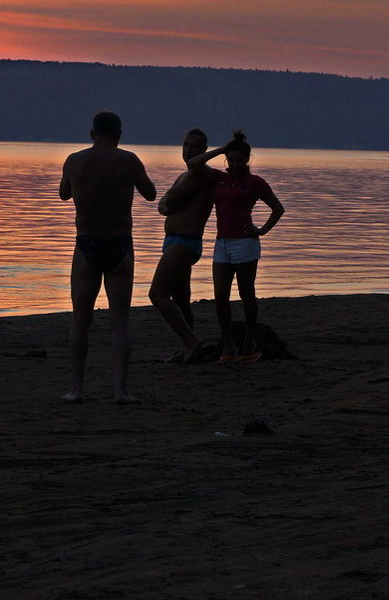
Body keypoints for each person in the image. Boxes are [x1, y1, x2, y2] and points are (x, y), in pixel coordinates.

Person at [59, 111, 156, 403]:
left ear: (92, 133)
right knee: (120, 322)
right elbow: (151, 195)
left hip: (87, 242)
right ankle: (120, 391)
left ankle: (77, 389)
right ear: (119, 134)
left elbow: (64, 194)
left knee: (80, 320)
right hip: (120, 244)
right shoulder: (129, 160)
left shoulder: (74, 161)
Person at [187, 131, 284, 362]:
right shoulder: (219, 178)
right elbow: (193, 163)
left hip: (245, 244)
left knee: (246, 293)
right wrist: (222, 149)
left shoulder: (255, 183)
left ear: (247, 159)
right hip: (222, 243)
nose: (236, 164)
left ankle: (249, 340)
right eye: (232, 160)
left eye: (240, 160)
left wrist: (261, 230)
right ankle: (228, 343)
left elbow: (277, 209)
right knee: (220, 295)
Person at [149, 128, 218, 364]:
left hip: (184, 242)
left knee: (157, 295)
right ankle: (188, 347)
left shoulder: (201, 174)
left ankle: (191, 341)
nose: (188, 150)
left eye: (194, 147)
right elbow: (163, 205)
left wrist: (168, 202)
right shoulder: (186, 174)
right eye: (186, 145)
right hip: (173, 242)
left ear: (204, 151)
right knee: (180, 300)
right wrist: (167, 202)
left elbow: (169, 202)